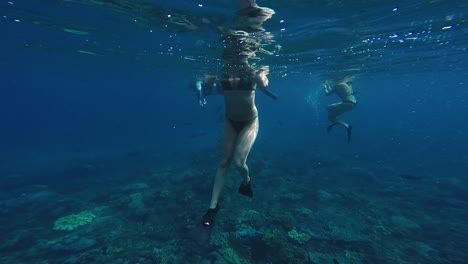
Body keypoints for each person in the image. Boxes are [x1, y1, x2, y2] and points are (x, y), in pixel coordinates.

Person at [190, 0, 275, 243]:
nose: (237, 56)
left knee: (239, 163)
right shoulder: (222, 70)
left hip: (249, 121)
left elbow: (263, 82)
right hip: (230, 120)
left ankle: (246, 182)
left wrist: (261, 77)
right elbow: (206, 82)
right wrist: (203, 84)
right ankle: (211, 211)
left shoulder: (254, 70)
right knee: (223, 162)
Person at [323, 75, 357, 143]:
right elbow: (333, 90)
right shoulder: (345, 84)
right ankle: (340, 123)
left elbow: (327, 94)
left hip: (346, 104)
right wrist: (327, 85)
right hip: (352, 104)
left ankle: (340, 123)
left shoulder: (337, 85)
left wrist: (324, 87)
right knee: (330, 114)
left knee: (328, 109)